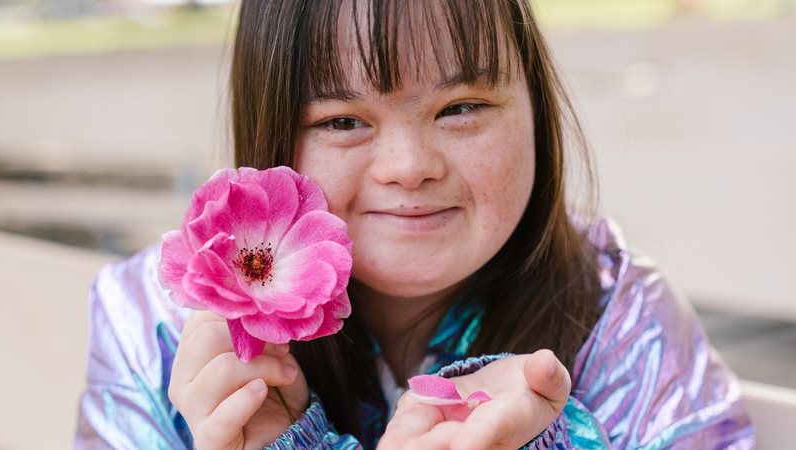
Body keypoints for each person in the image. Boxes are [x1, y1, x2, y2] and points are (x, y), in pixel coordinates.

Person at [75, 1, 754, 448]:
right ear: (271, 137)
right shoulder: (159, 331)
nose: (409, 166)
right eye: (342, 121)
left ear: (536, 112)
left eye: (460, 108)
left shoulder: (623, 322)